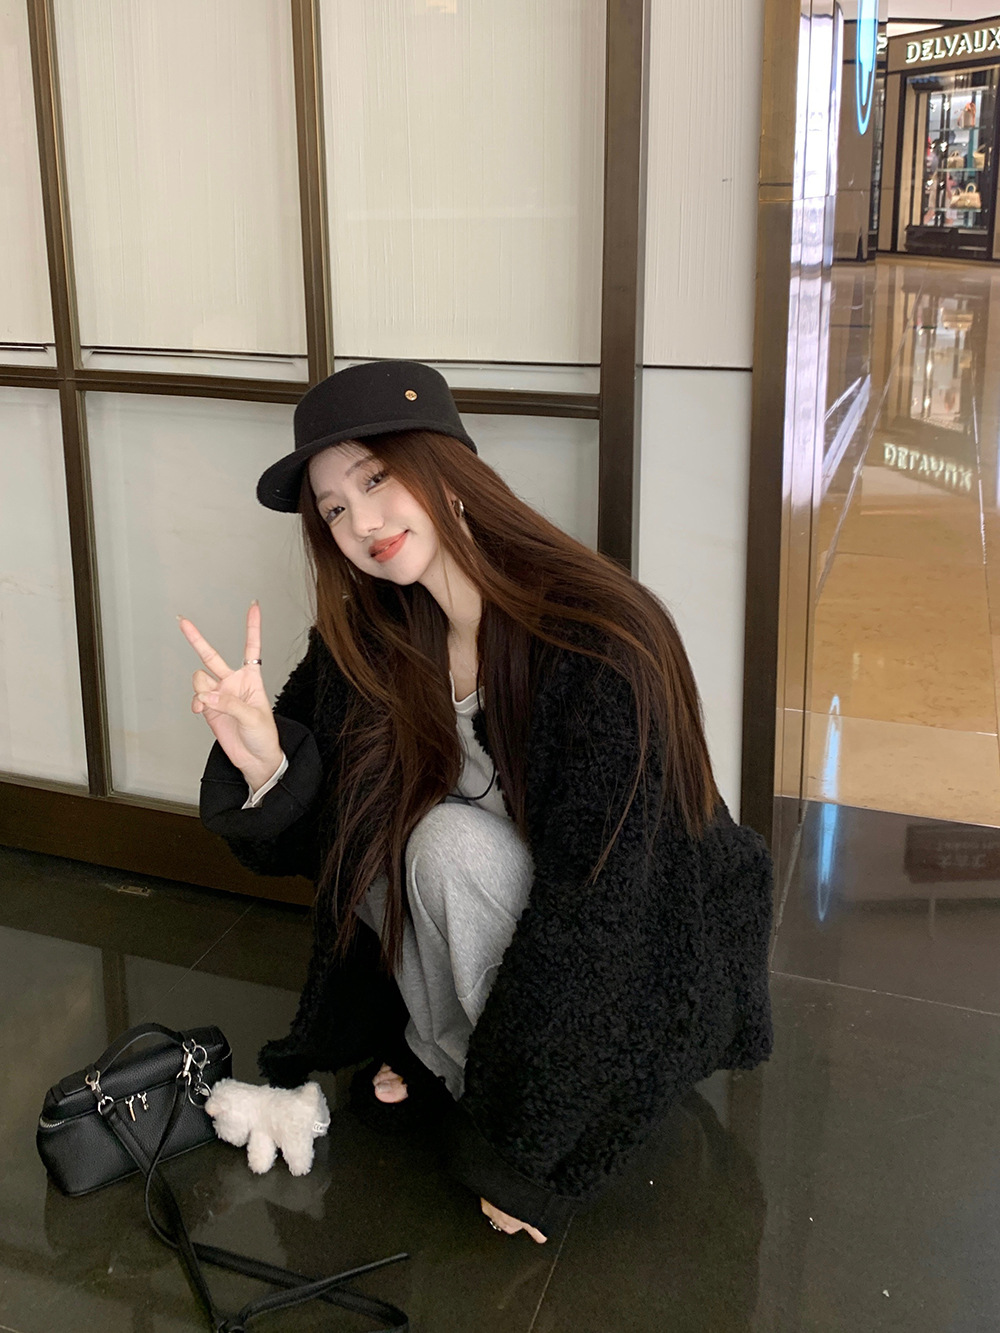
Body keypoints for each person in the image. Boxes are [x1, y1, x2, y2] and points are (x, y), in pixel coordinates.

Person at [180, 359, 773, 1244]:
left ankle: (550, 1094)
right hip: (509, 918)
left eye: (375, 479)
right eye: (333, 509)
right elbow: (316, 854)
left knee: (445, 846)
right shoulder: (374, 635)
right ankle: (453, 1060)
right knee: (373, 822)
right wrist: (269, 765)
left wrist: (525, 1149)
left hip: (650, 949)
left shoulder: (595, 642)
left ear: (448, 468)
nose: (361, 523)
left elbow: (602, 913)